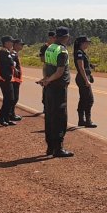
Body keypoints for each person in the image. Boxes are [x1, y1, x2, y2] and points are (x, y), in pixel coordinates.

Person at [38, 26, 74, 158]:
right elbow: (59, 72)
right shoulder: (62, 51)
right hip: (58, 88)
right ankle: (58, 148)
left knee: (50, 116)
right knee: (59, 117)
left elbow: (45, 66)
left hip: (49, 88)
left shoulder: (50, 48)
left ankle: (50, 147)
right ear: (66, 37)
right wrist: (48, 80)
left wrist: (46, 79)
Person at [73, 36, 97, 128]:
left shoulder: (81, 52)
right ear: (82, 43)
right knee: (89, 100)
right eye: (87, 42)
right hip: (82, 78)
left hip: (83, 77)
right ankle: (88, 121)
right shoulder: (79, 53)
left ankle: (81, 120)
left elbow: (85, 65)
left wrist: (91, 65)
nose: (88, 44)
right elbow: (81, 67)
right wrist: (86, 80)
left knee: (83, 99)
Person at [0, 35, 17, 126]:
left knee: (9, 99)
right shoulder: (4, 52)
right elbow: (11, 64)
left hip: (6, 78)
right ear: (6, 43)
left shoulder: (7, 52)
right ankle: (2, 118)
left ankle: (4, 118)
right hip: (4, 78)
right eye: (11, 42)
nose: (12, 44)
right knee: (9, 99)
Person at [39, 31, 56, 111]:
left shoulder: (56, 47)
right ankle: (45, 105)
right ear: (50, 38)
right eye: (53, 37)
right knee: (47, 85)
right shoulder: (44, 47)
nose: (54, 39)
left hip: (56, 69)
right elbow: (42, 59)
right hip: (47, 68)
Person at [9, 38, 24, 121]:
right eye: (20, 44)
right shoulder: (13, 54)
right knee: (14, 98)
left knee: (14, 98)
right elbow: (11, 65)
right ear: (15, 45)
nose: (22, 46)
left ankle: (11, 113)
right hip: (14, 79)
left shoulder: (15, 53)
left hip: (16, 79)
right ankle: (11, 114)